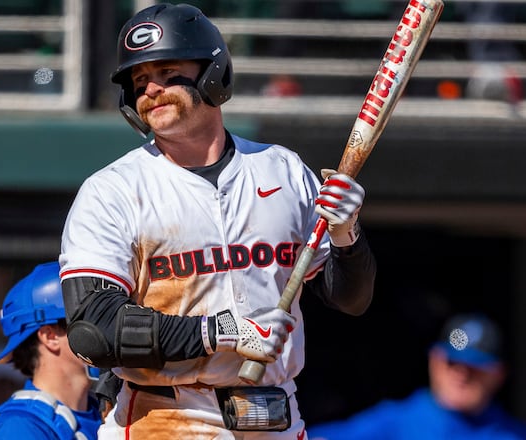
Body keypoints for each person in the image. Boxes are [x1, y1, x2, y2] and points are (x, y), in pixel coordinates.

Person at [58, 3, 376, 438]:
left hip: (275, 413)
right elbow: (94, 331)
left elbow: (350, 299)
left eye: (169, 73)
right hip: (165, 415)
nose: (151, 88)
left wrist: (346, 235)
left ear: (213, 75)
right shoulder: (113, 190)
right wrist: (220, 333)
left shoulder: (281, 170)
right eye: (139, 80)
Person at [307, 313, 526, 440]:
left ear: (498, 374)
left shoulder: (514, 435)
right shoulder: (396, 421)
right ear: (435, 361)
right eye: (453, 362)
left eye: (474, 366)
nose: (461, 374)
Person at [0, 262, 102, 440]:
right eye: (89, 318)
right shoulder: (18, 430)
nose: (105, 328)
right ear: (50, 336)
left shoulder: (110, 416)